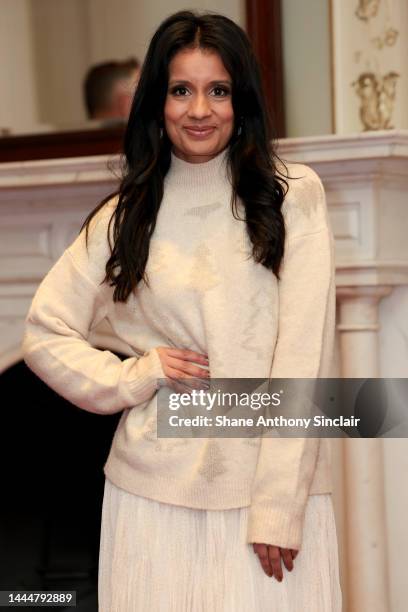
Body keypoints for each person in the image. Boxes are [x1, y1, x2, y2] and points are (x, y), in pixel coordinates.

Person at [22, 10, 342, 611]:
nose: (200, 110)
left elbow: (305, 355)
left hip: (261, 500)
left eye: (218, 90)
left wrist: (279, 505)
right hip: (151, 493)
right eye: (181, 90)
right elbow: (44, 332)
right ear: (157, 103)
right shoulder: (125, 214)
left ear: (240, 99)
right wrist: (134, 375)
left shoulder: (291, 194)